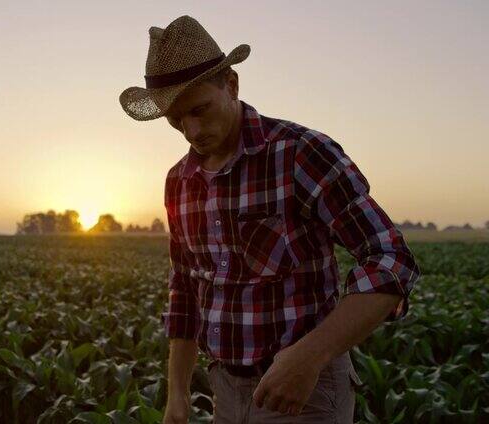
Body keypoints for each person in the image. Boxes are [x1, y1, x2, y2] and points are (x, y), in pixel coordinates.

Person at [119, 15, 421, 423]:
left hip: (304, 393)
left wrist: (310, 356)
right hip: (224, 389)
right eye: (176, 121)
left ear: (231, 85)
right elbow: (185, 290)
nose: (191, 130)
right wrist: (178, 392)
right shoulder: (179, 180)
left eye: (200, 110)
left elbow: (390, 259)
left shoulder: (299, 153)